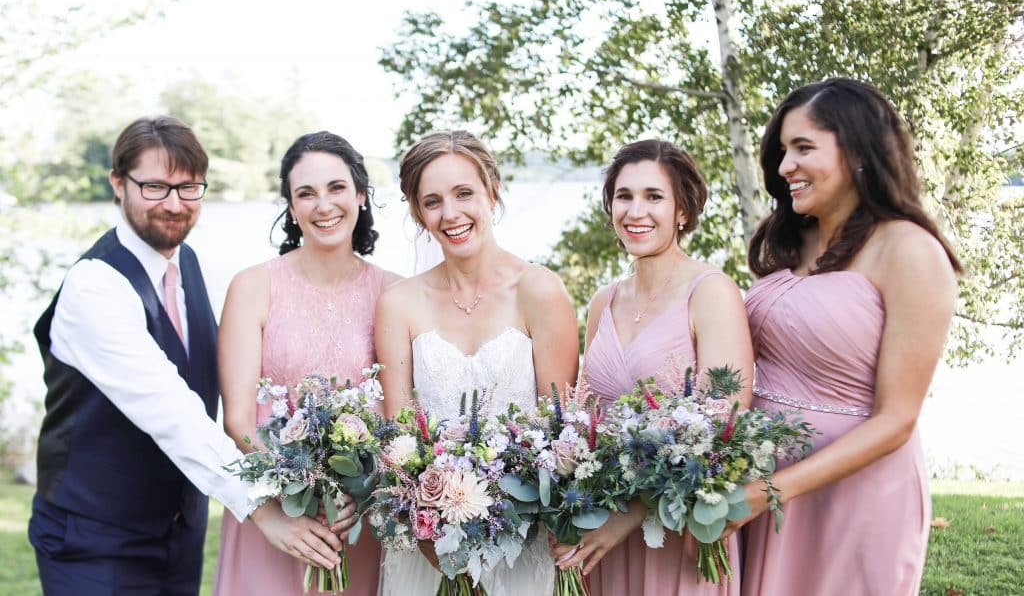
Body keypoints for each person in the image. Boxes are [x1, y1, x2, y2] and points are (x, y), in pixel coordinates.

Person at [29, 117, 346, 595]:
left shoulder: (187, 263)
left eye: (189, 187)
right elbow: (173, 412)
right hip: (93, 540)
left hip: (179, 533)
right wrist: (264, 509)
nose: (175, 204)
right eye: (155, 186)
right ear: (118, 183)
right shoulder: (94, 286)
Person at [734, 78, 960, 595]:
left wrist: (769, 490)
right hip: (761, 486)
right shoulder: (795, 241)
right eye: (783, 150)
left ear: (858, 150)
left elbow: (897, 419)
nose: (786, 165)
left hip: (853, 494)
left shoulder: (908, 249)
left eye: (803, 148)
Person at [375, 130, 579, 596]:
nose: (451, 214)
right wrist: (430, 526)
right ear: (417, 212)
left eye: (464, 193)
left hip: (523, 537)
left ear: (492, 190)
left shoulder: (540, 291)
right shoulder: (399, 303)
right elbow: (398, 434)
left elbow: (561, 431)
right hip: (427, 541)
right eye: (432, 201)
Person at [551, 139, 752, 595]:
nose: (634, 211)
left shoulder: (711, 291)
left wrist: (629, 516)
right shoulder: (605, 300)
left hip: (677, 528)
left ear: (682, 210)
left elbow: (725, 419)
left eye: (653, 197)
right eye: (624, 196)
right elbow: (587, 416)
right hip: (601, 527)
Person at [213, 131, 399, 595]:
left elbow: (400, 416)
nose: (323, 205)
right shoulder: (252, 287)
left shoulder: (394, 293)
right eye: (306, 194)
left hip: (358, 517)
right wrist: (301, 486)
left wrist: (362, 485)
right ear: (291, 208)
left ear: (360, 194)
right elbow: (236, 419)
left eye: (337, 188)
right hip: (274, 514)